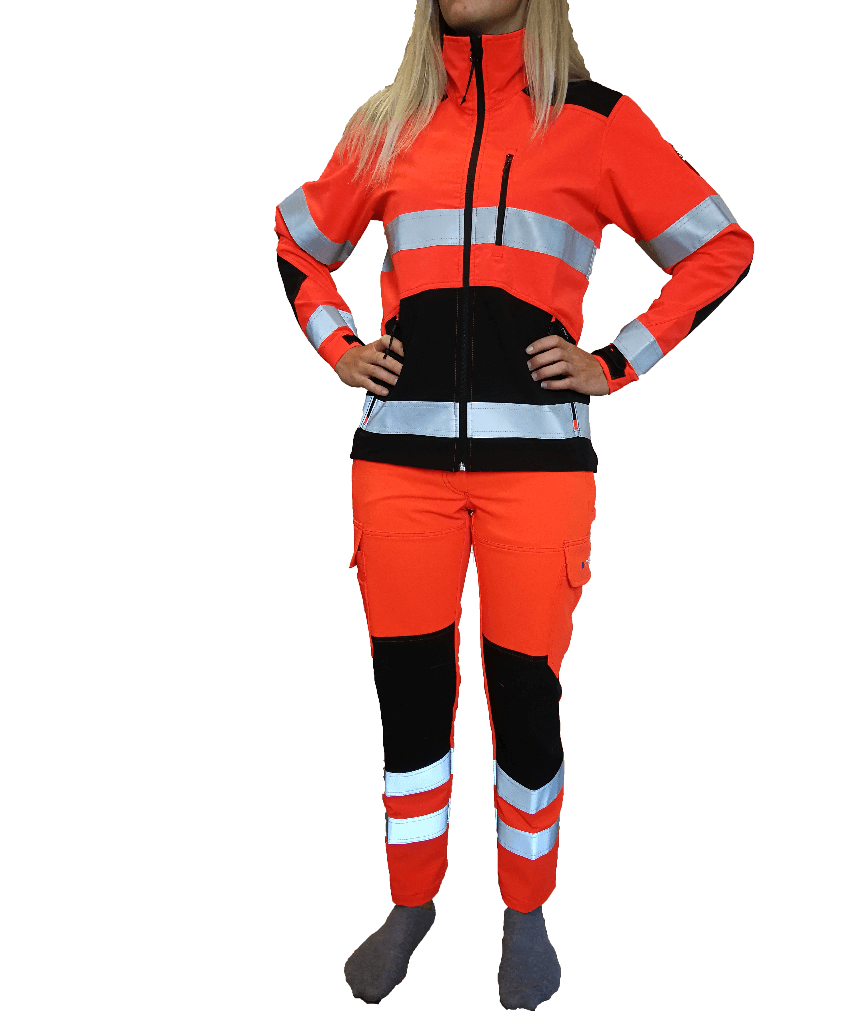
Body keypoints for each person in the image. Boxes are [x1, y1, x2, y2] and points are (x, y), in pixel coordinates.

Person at [274, 0, 753, 1009]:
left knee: (524, 691)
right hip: (397, 466)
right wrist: (337, 343)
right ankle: (411, 901)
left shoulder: (597, 122)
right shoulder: (388, 124)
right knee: (409, 691)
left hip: (537, 471)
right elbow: (299, 241)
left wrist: (615, 360)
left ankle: (525, 908)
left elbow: (719, 246)